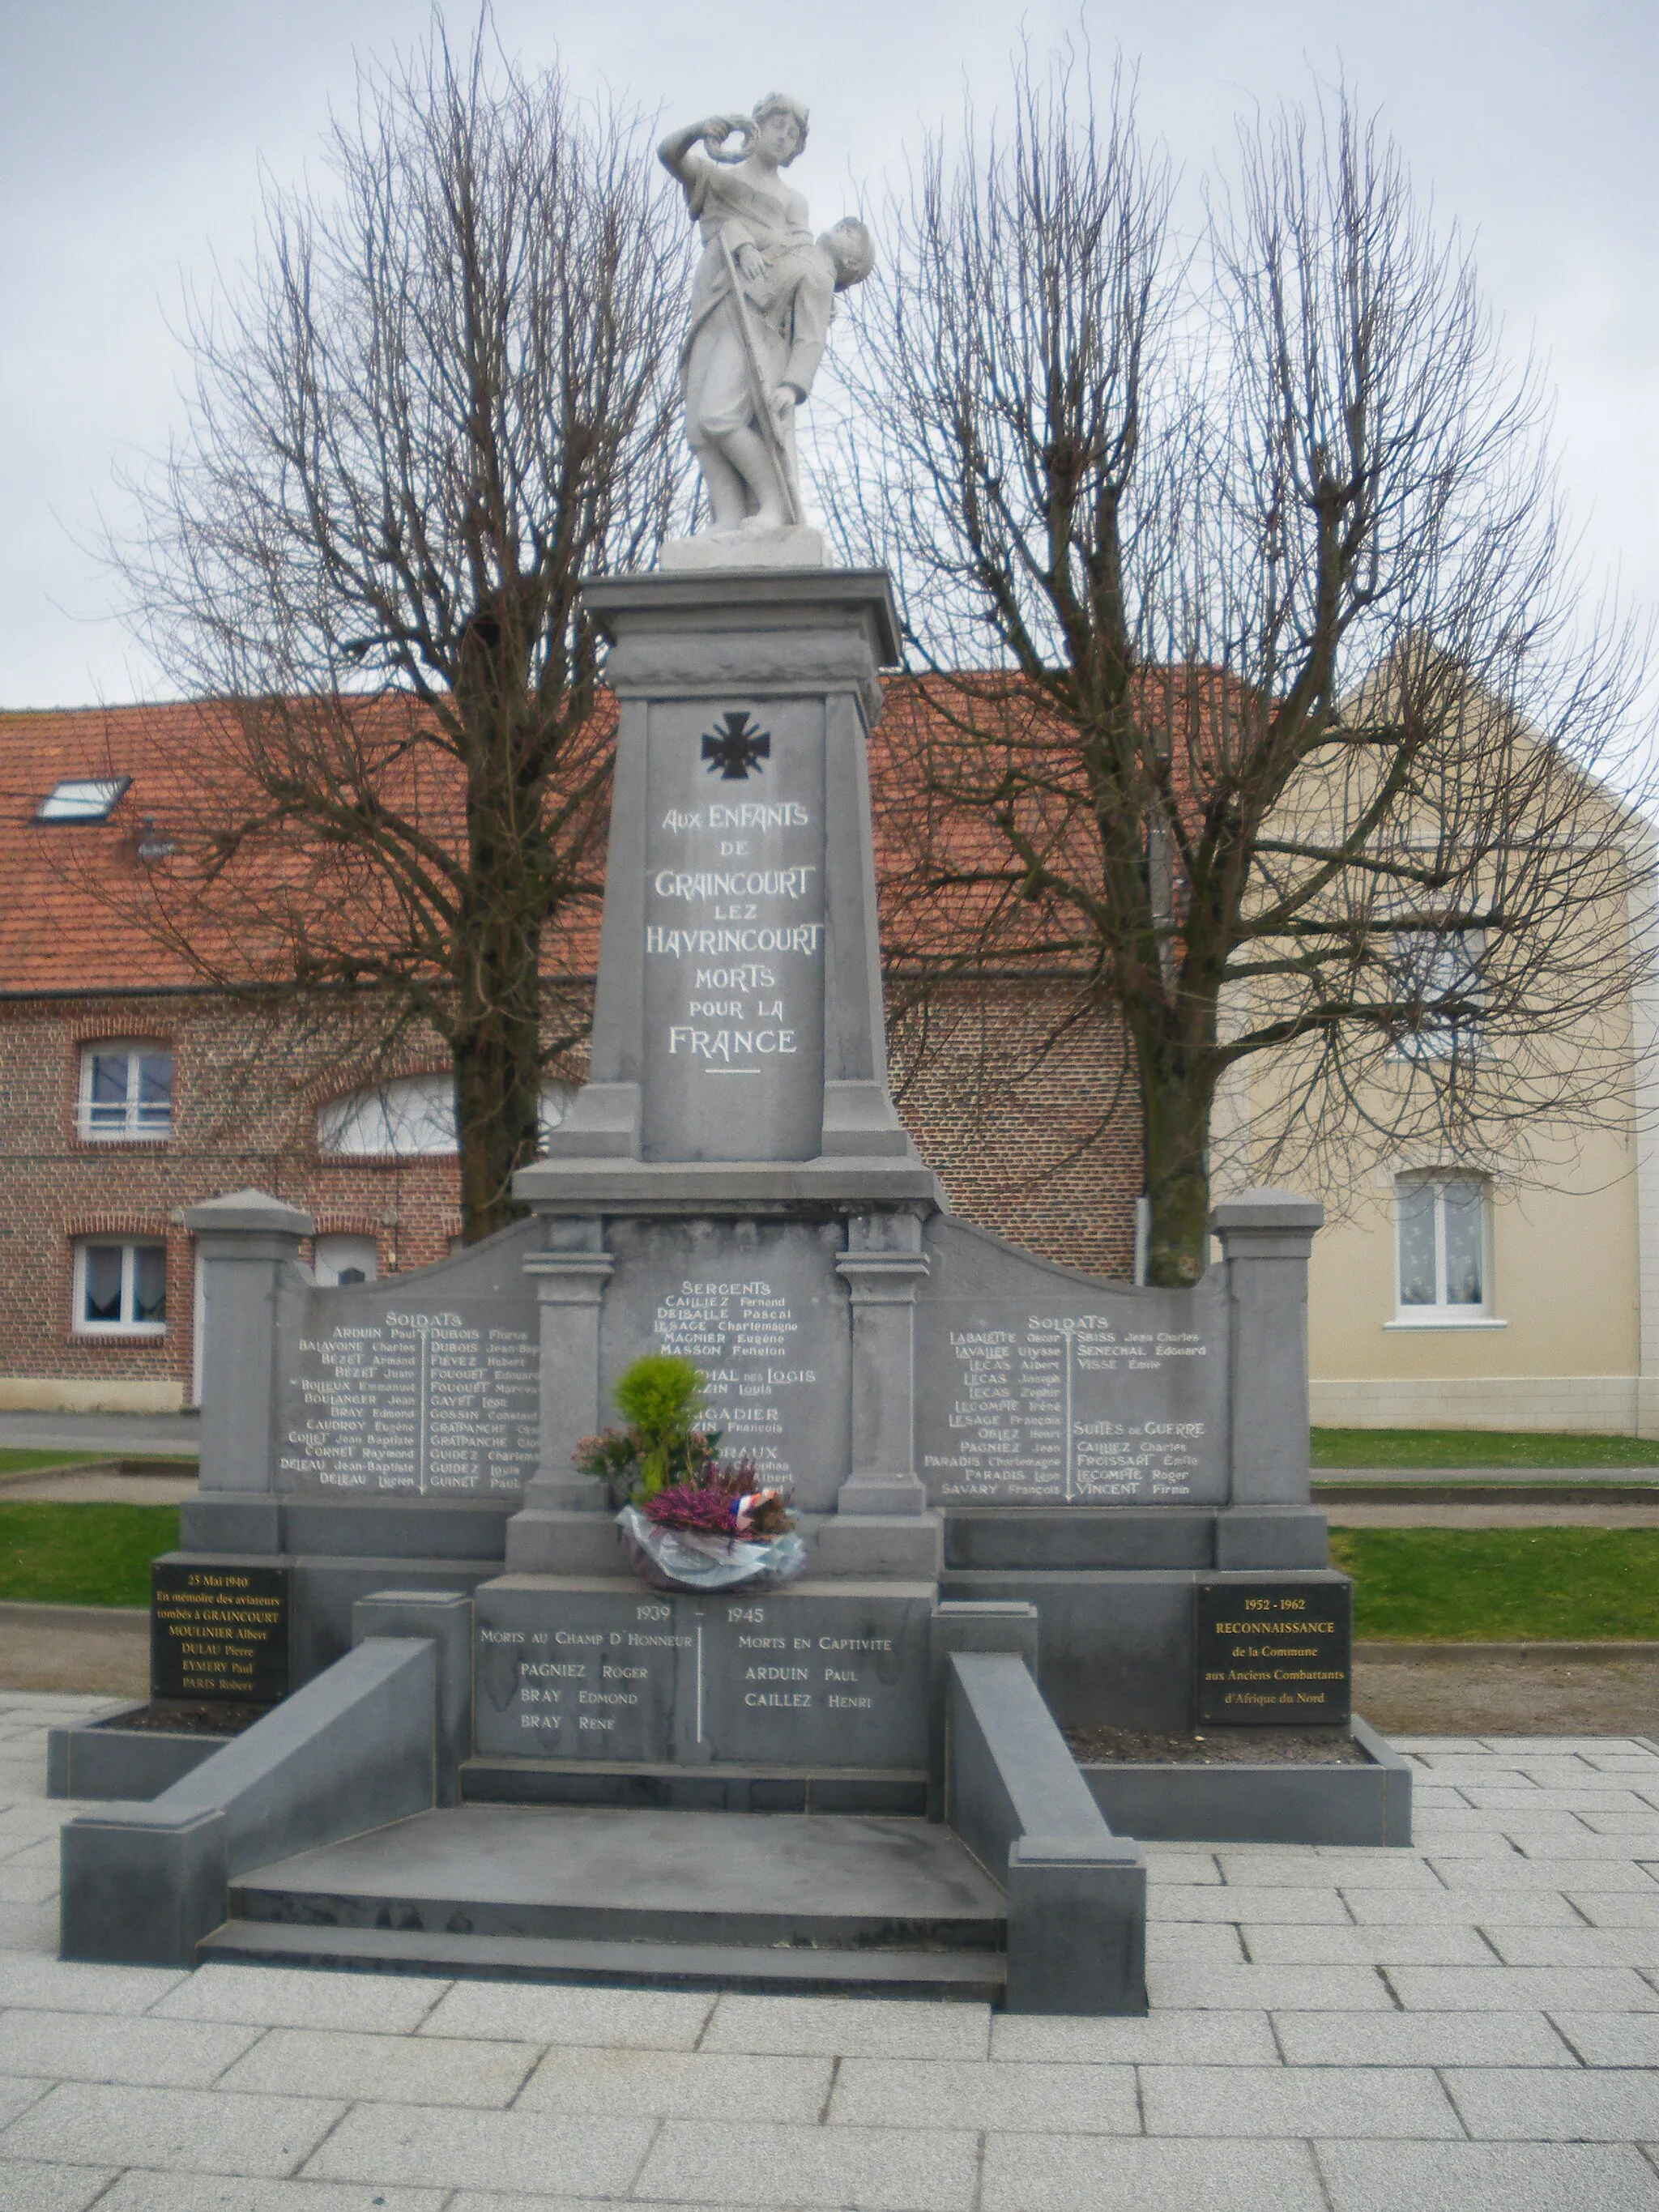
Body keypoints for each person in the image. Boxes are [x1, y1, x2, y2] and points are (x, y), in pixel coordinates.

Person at [658, 96, 872, 535]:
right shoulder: (720, 178)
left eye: (793, 135)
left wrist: (794, 384)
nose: (784, 137)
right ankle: (730, 517)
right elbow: (669, 154)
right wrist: (702, 128)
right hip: (714, 300)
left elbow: (794, 262)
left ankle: (773, 503)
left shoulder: (794, 203)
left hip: (754, 316)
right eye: (778, 125)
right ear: (756, 127)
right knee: (699, 428)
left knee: (721, 416)